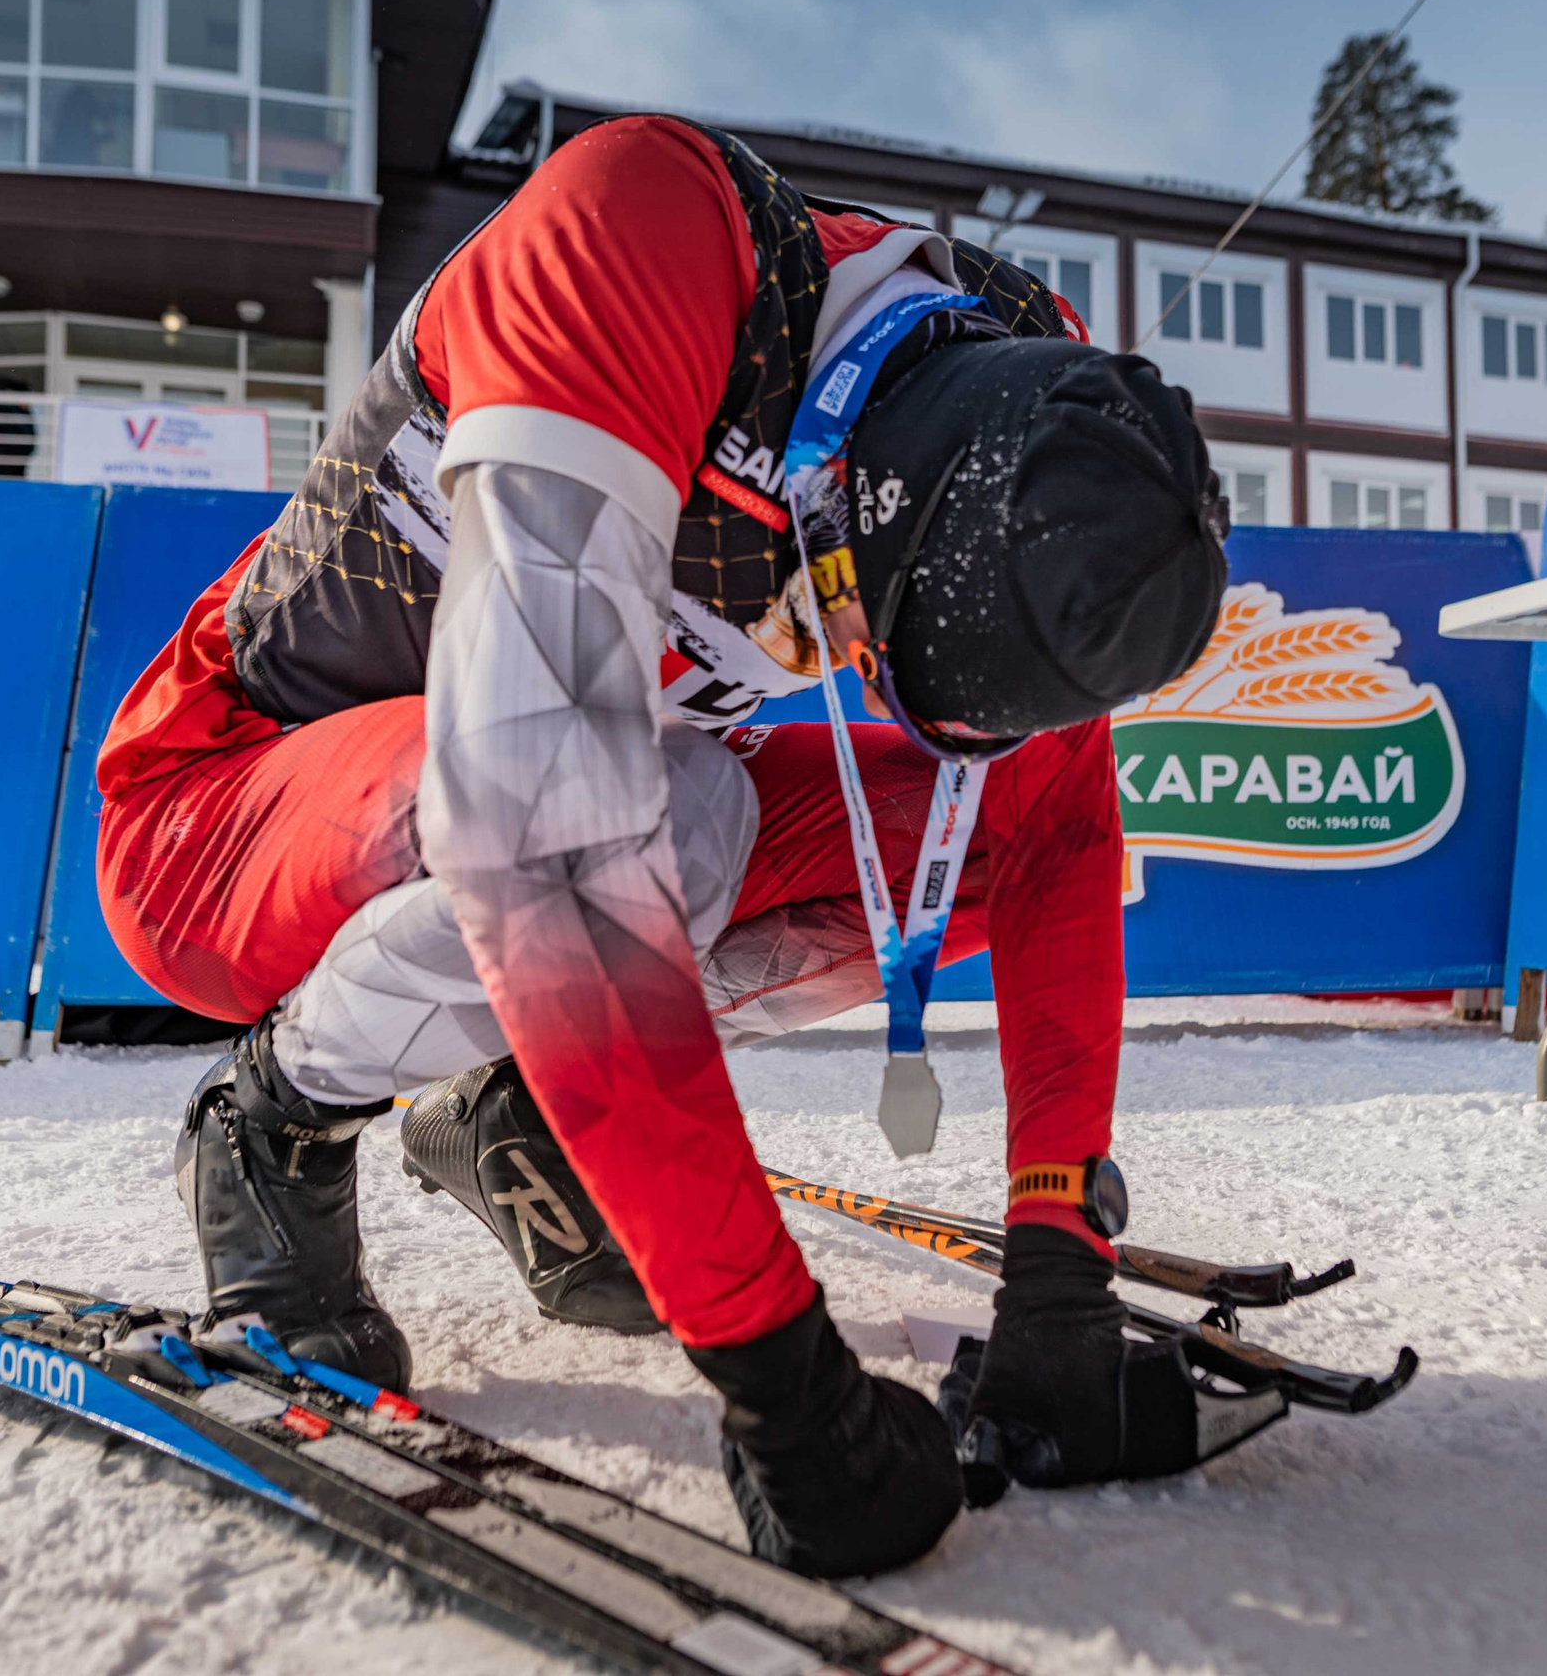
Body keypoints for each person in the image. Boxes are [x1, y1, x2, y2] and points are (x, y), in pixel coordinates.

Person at [94, 114, 1234, 1578]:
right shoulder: (637, 237)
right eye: (861, 640)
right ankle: (275, 1119)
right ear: (847, 513)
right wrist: (781, 1381)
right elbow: (542, 833)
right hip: (219, 814)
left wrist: (1058, 1264)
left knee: (945, 858)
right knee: (664, 806)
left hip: (525, 814)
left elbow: (1060, 820)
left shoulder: (1040, 402)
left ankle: (524, 1096)